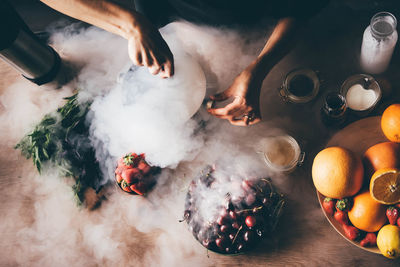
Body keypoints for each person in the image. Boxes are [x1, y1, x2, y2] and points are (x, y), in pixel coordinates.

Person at [40, 0, 328, 126]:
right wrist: (131, 25)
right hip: (163, 20)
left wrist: (260, 67)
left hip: (258, 29)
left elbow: (301, 9)